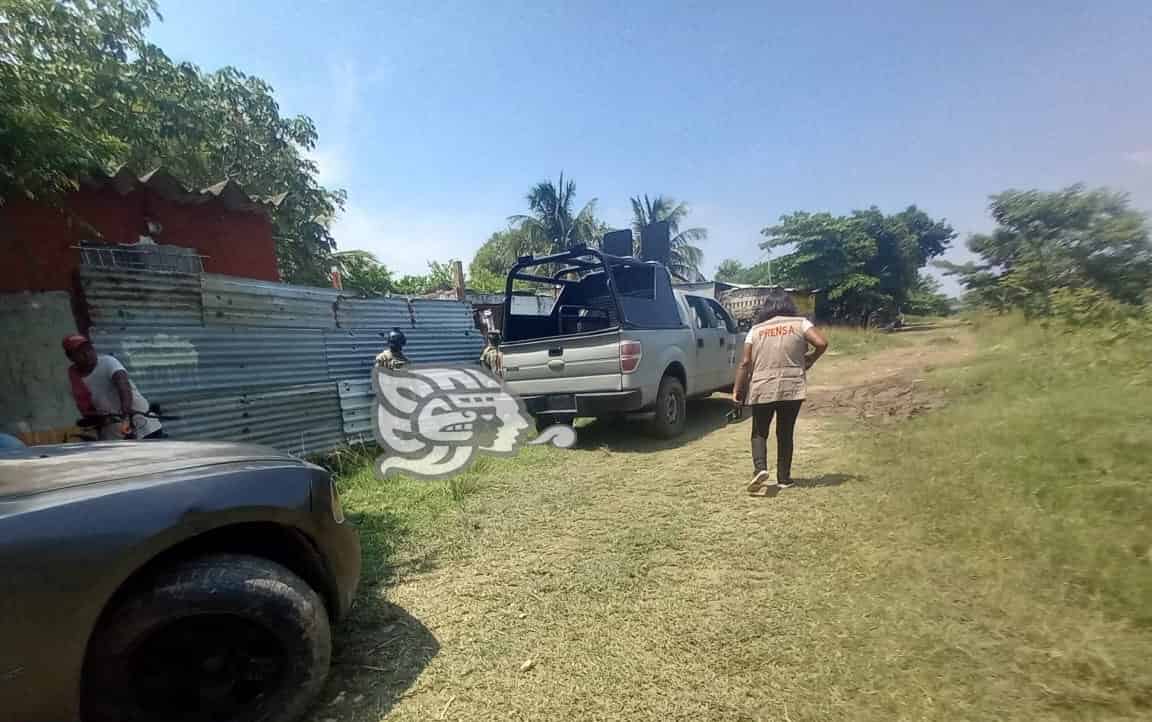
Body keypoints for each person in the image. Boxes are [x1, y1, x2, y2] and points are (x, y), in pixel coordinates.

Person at [732, 289, 829, 493]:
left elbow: (745, 362)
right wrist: (810, 359)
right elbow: (821, 343)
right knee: (785, 431)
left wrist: (737, 390)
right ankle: (784, 478)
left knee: (759, 431)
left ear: (766, 308)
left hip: (762, 386)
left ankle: (760, 469)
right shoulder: (801, 323)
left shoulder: (755, 330)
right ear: (789, 305)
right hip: (791, 386)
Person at [62, 334, 164, 440]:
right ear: (70, 357)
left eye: (89, 348)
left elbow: (123, 384)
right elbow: (86, 409)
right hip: (115, 434)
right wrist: (99, 418)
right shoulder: (74, 380)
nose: (87, 353)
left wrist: (126, 409)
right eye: (80, 352)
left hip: (144, 425)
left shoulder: (107, 362)